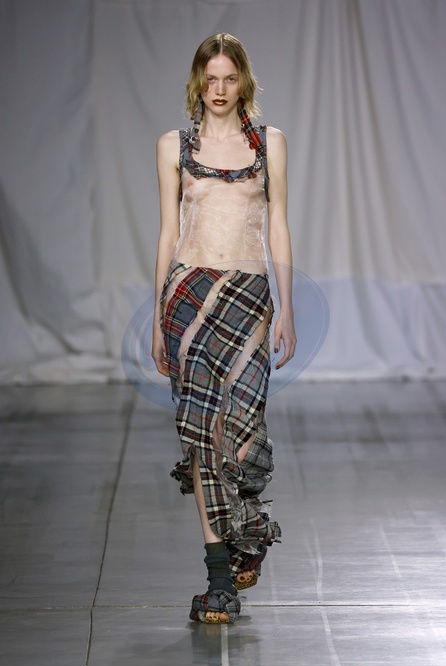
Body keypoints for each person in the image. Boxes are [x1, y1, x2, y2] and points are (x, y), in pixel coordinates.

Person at [152, 33, 296, 624]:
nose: (218, 89)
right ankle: (218, 581)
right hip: (187, 296)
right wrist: (157, 318)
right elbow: (168, 231)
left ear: (243, 82)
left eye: (229, 79)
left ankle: (250, 529)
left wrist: (287, 307)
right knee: (201, 436)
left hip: (249, 295)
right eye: (209, 79)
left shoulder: (269, 143)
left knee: (242, 434)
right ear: (198, 82)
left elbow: (278, 223)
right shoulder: (173, 146)